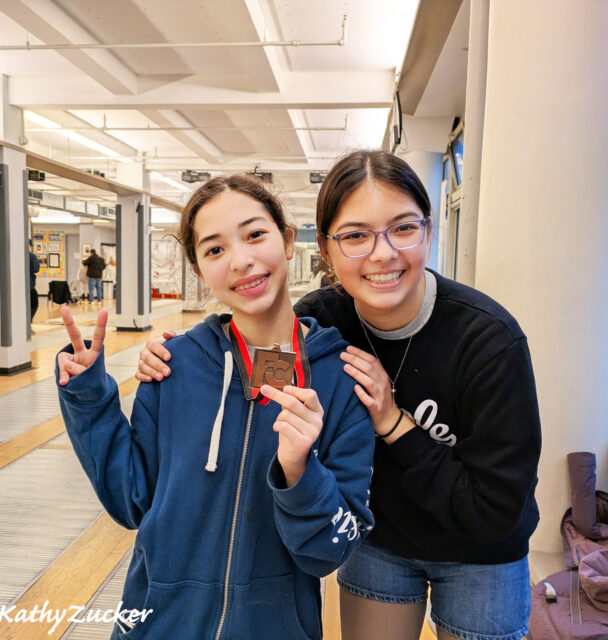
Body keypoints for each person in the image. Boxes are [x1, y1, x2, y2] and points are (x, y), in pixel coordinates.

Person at [135, 150, 542, 640]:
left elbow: (495, 510)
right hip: (378, 543)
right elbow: (252, 381)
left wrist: (393, 423)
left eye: (404, 228)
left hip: (481, 553)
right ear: (324, 251)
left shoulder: (487, 341)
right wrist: (177, 355)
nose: (382, 254)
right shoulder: (319, 327)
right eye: (354, 236)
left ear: (429, 232)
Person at [55, 174, 374, 639]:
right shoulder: (172, 365)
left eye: (254, 235)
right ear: (199, 268)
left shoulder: (341, 380)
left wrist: (299, 470)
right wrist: (88, 394)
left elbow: (326, 552)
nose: (240, 261)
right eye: (215, 249)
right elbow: (132, 502)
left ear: (287, 240)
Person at [28, 240, 40, 324]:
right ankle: (29, 320)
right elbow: (36, 269)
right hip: (30, 284)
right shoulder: (31, 256)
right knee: (34, 304)